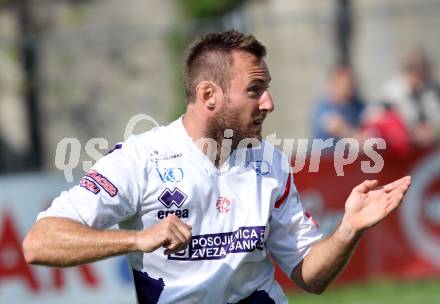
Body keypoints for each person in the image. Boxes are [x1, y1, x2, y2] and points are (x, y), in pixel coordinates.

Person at [23, 30, 411, 304]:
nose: (269, 104)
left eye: (267, 89)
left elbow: (310, 276)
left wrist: (347, 230)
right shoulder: (139, 159)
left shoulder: (270, 163)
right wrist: (135, 239)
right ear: (209, 94)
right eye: (255, 90)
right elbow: (39, 243)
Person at [381, 48, 440, 147]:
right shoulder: (391, 92)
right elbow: (385, 123)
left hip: (430, 144)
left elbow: (435, 114)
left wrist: (431, 129)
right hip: (403, 148)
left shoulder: (432, 89)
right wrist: (413, 132)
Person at [311, 63, 367, 142]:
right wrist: (358, 138)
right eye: (343, 85)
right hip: (327, 153)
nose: (348, 89)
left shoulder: (357, 106)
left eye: (350, 85)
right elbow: (335, 126)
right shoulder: (323, 107)